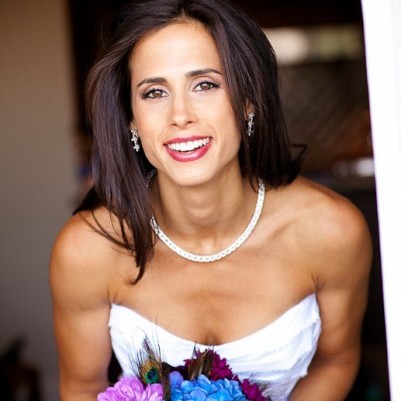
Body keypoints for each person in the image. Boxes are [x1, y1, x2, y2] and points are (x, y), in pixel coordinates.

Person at [49, 0, 372, 400]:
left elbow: (336, 360)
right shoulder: (87, 250)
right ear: (131, 118)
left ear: (248, 101)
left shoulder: (331, 231)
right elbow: (82, 388)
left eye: (205, 84)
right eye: (154, 92)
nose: (180, 115)